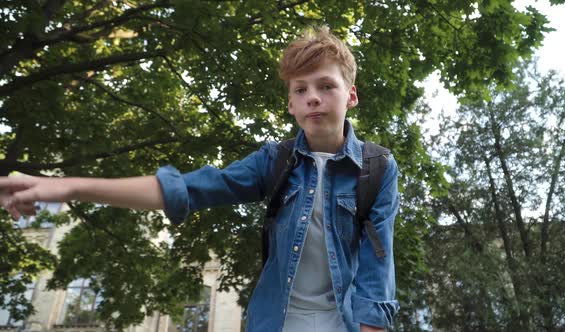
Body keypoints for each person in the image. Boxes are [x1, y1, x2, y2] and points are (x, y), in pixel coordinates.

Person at [0, 26, 400, 332]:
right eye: (301, 89)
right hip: (276, 321)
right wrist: (68, 186)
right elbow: (183, 189)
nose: (313, 96)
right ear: (291, 103)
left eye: (326, 85)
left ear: (350, 95)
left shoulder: (378, 168)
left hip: (343, 322)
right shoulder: (273, 161)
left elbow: (376, 272)